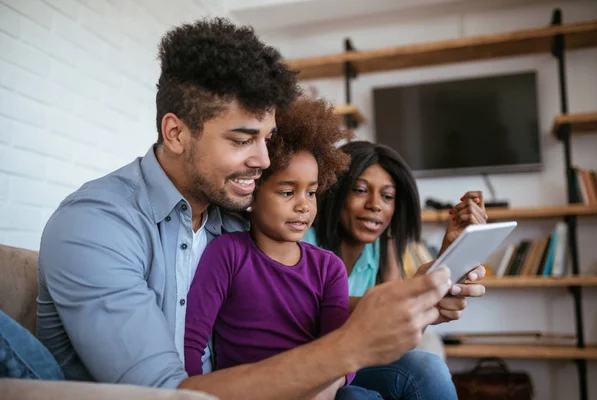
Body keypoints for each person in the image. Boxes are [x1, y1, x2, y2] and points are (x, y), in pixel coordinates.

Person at [31, 18, 454, 400]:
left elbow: (298, 296)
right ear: (175, 133)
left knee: (421, 370)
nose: (264, 160)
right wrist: (347, 348)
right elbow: (162, 394)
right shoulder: (95, 225)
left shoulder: (231, 215)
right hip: (183, 392)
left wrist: (414, 298)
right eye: (241, 140)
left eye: (267, 139)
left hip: (247, 376)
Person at [184, 97, 371, 399]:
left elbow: (341, 348)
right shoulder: (227, 254)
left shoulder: (328, 267)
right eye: (287, 191)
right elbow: (191, 341)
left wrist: (327, 387)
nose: (303, 205)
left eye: (311, 192)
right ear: (251, 195)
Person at [304, 140, 488, 399]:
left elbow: (401, 340)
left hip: (355, 363)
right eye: (360, 190)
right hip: (307, 362)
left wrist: (447, 260)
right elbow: (302, 311)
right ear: (336, 192)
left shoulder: (383, 248)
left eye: (387, 196)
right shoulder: (304, 239)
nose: (375, 204)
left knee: (428, 368)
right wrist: (396, 299)